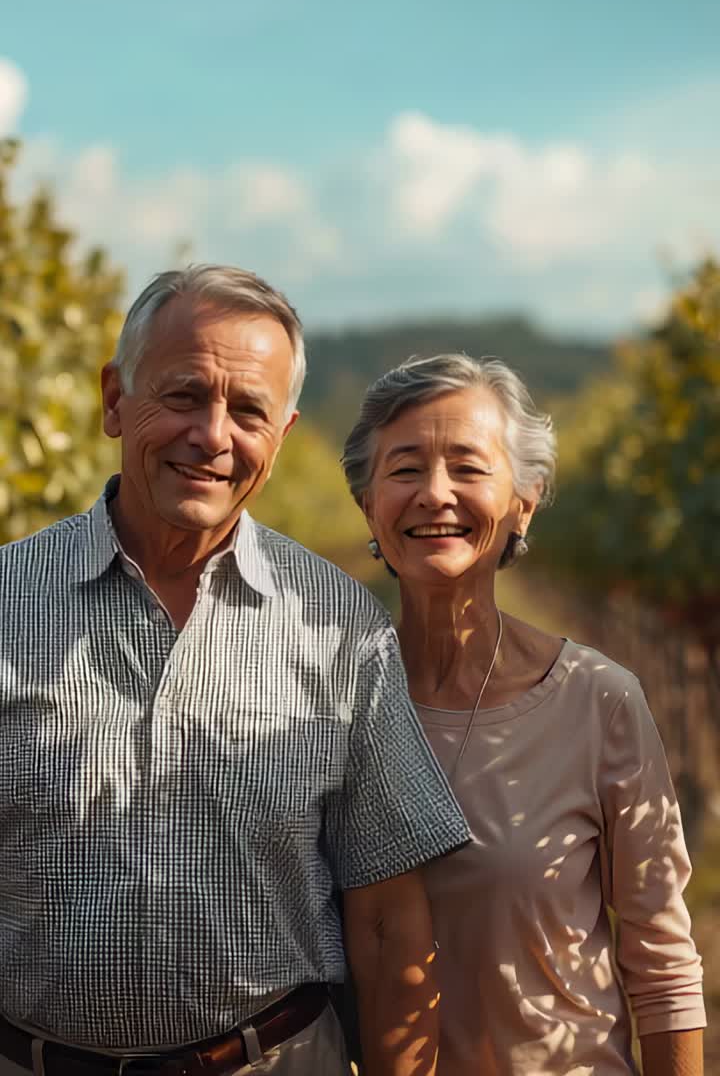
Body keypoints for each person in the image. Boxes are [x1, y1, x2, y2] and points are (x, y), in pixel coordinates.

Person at [0, 268, 471, 1076]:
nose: (213, 435)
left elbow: (389, 919)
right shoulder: (8, 601)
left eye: (248, 411)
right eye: (183, 395)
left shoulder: (340, 628)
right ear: (114, 401)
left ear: (281, 435)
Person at [342, 353, 706, 1076]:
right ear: (368, 503)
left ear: (524, 501)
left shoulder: (599, 702)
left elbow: (663, 964)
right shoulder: (327, 706)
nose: (435, 494)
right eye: (406, 468)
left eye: (468, 468)